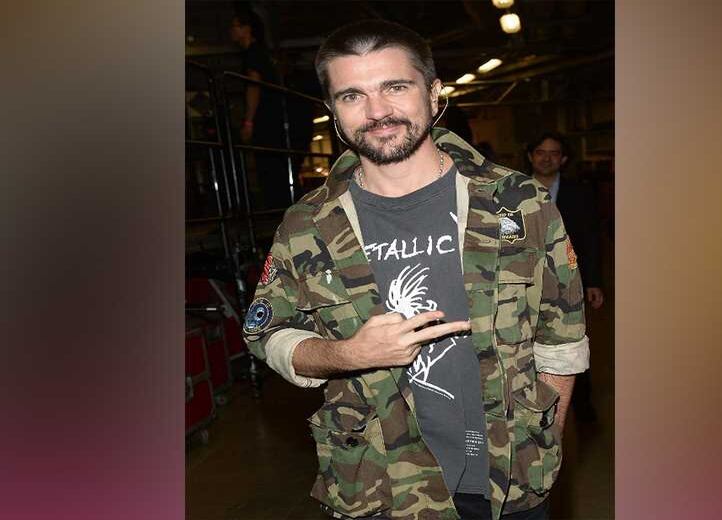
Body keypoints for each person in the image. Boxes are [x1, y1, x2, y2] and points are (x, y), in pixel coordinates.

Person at [243, 20, 589, 520]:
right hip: (380, 487)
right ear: (333, 111)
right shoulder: (307, 223)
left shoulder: (518, 203)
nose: (377, 111)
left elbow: (562, 337)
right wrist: (347, 353)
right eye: (352, 96)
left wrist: (546, 440)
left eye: (395, 87)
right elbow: (267, 333)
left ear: (433, 91)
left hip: (512, 477)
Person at [527, 132, 603, 422]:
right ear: (530, 156)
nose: (546, 158)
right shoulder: (514, 190)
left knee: (571, 344)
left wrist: (594, 281)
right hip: (527, 283)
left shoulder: (579, 192)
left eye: (554, 153)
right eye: (540, 152)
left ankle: (581, 408)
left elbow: (591, 238)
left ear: (564, 159)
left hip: (568, 282)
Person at [230, 10, 291, 209]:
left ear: (247, 29)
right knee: (274, 164)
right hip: (272, 117)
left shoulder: (253, 54)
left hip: (265, 119)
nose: (231, 30)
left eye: (235, 26)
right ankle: (279, 208)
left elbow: (253, 86)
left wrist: (248, 121)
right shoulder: (260, 53)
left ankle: (276, 210)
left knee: (268, 165)